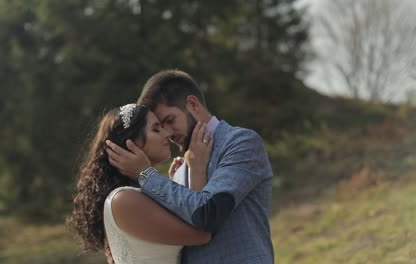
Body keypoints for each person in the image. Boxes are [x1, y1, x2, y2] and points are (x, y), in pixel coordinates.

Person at [106, 70, 274, 263]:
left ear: (193, 104)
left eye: (170, 120)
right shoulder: (180, 169)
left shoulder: (240, 142)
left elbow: (209, 213)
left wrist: (145, 174)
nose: (167, 133)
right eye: (160, 127)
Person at [67, 103, 214, 264]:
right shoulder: (123, 199)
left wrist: (172, 184)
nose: (167, 134)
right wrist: (198, 167)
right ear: (131, 143)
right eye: (156, 129)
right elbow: (201, 233)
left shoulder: (136, 195)